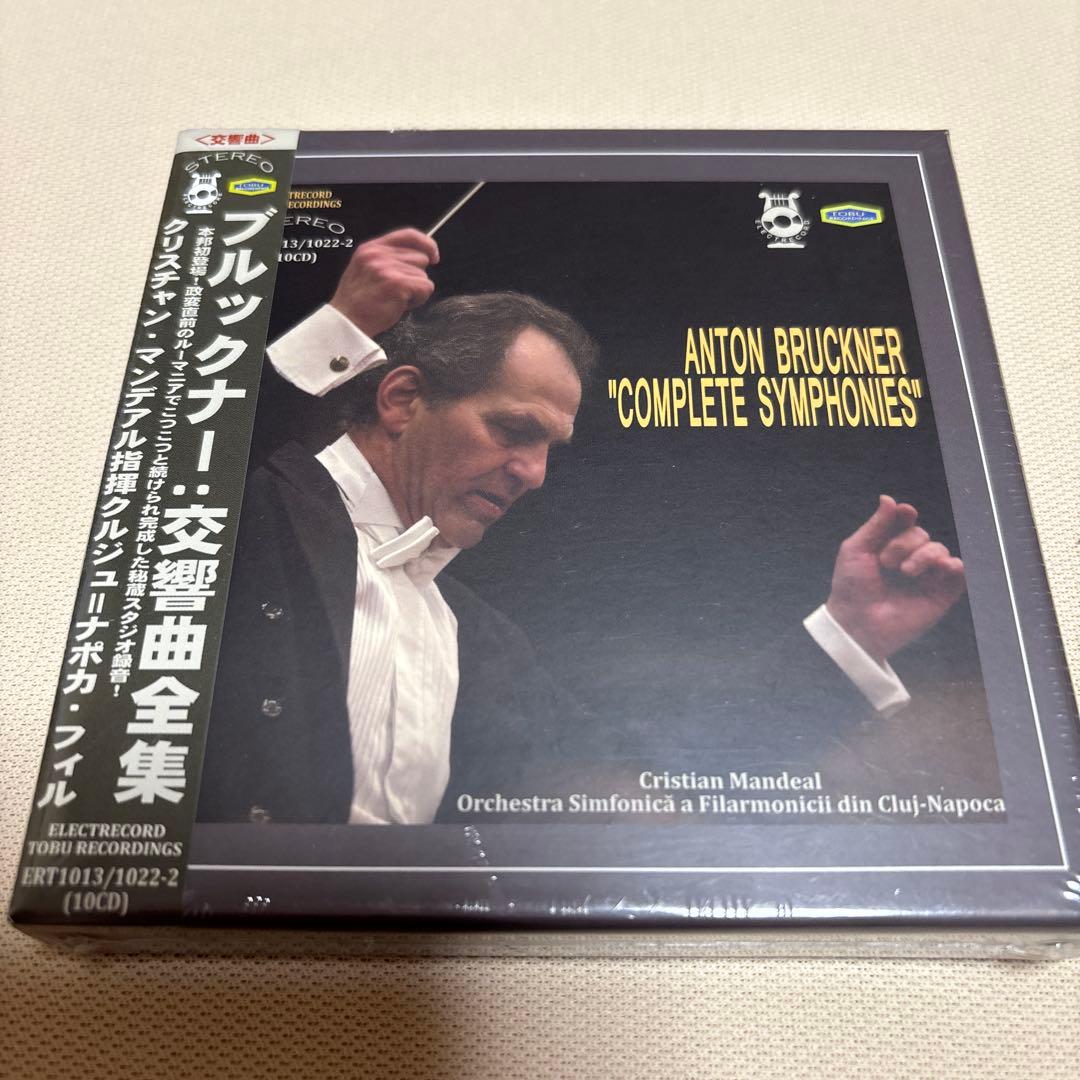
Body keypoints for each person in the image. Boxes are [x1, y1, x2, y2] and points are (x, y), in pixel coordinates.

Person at [196, 229, 966, 825]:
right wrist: (339, 329)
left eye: (549, 449)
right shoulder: (252, 508)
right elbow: (186, 463)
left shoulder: (482, 640)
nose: (533, 474)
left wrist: (849, 637)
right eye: (513, 430)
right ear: (400, 400)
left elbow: (637, 768)